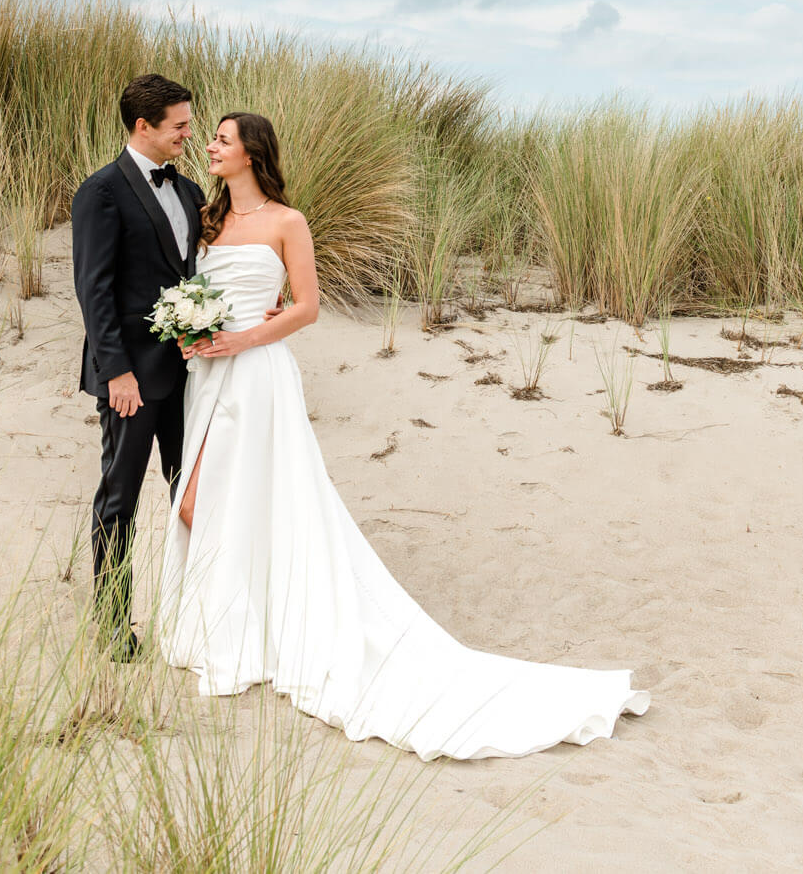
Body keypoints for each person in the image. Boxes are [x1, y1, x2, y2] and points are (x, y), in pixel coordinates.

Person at [157, 111, 649, 760]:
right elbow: (198, 287)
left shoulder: (287, 221)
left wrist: (243, 336)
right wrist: (193, 329)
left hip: (256, 376)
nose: (211, 146)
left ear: (251, 153)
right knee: (203, 498)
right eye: (211, 137)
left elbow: (306, 305)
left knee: (230, 495)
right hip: (208, 375)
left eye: (222, 139)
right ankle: (240, 624)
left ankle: (262, 629)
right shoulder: (210, 219)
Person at [70, 73, 205, 660]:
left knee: (191, 492)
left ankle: (192, 616)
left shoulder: (193, 192)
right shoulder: (100, 192)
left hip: (191, 373)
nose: (188, 133)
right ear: (142, 126)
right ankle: (112, 623)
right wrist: (116, 372)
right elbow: (92, 290)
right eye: (178, 125)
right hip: (131, 378)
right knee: (119, 497)